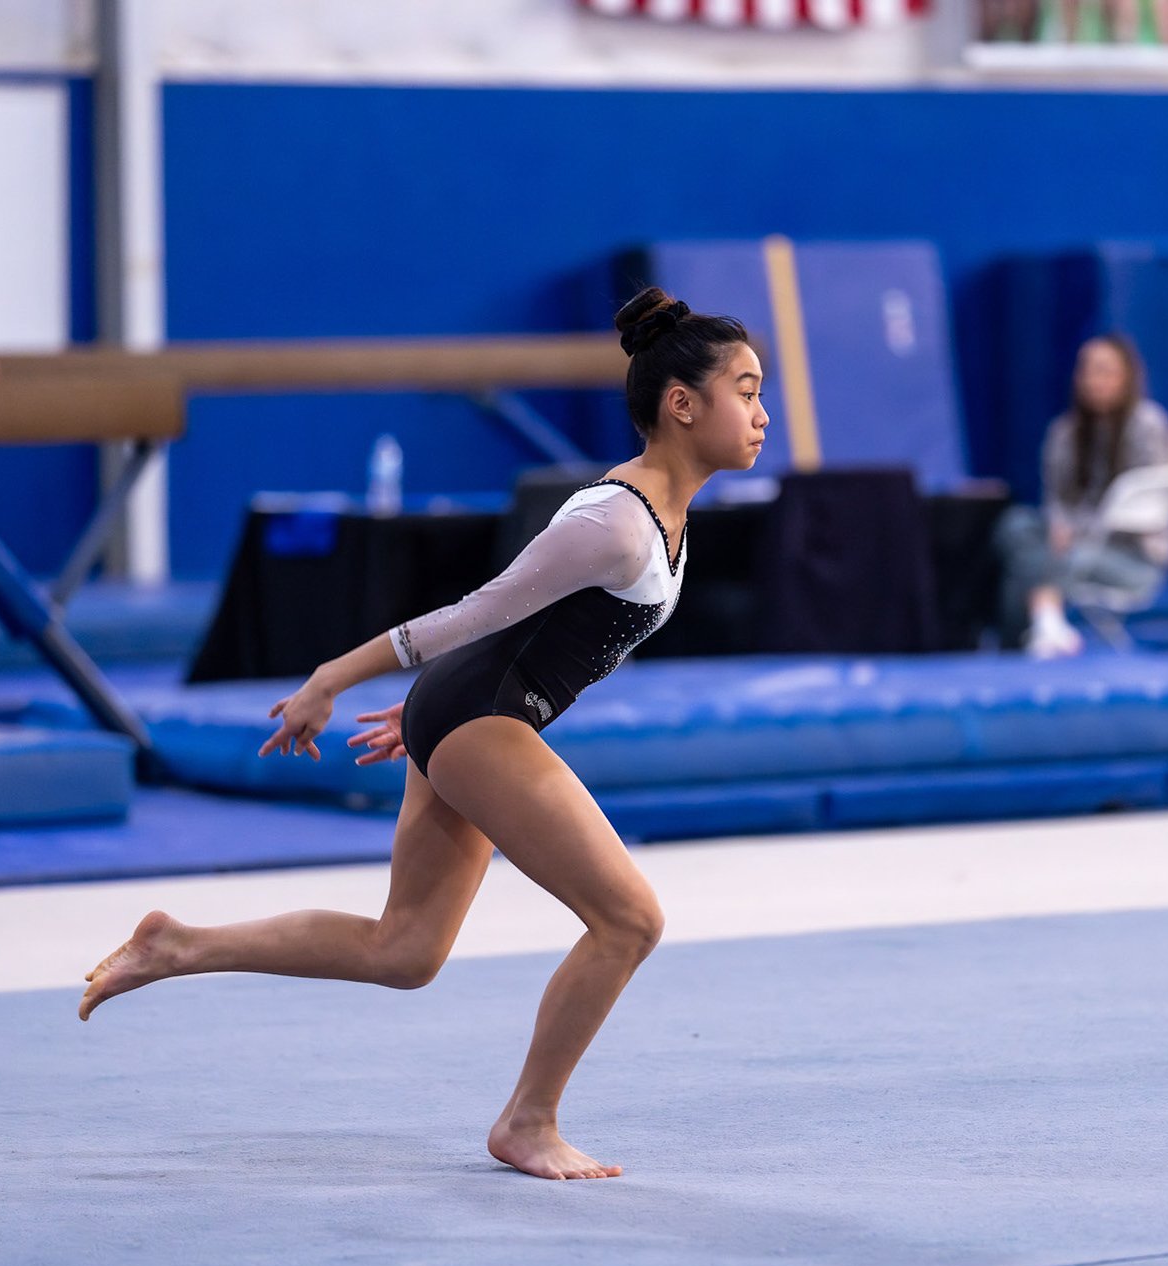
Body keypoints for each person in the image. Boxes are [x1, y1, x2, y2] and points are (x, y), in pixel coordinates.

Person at [78, 288, 768, 1181]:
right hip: (479, 715)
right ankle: (528, 1121)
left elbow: (533, 637)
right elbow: (473, 613)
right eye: (746, 392)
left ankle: (177, 945)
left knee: (404, 952)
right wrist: (334, 680)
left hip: (472, 712)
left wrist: (433, 718)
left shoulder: (667, 513)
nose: (762, 415)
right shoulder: (615, 524)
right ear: (682, 404)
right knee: (629, 920)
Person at [995, 334, 1168, 657]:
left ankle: (1033, 630)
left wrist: (1079, 531)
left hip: (1130, 558)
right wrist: (1060, 526)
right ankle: (1042, 624)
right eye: (1086, 370)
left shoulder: (1150, 427)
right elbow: (1055, 500)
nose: (1093, 380)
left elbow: (1154, 502)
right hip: (1068, 545)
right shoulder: (1064, 433)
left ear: (1127, 376)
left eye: (1104, 371)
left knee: (1037, 566)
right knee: (1015, 526)